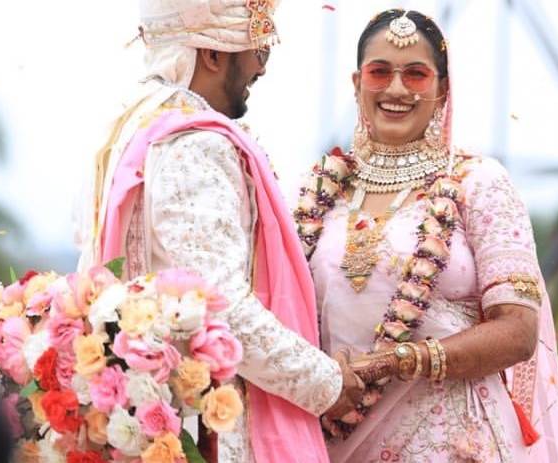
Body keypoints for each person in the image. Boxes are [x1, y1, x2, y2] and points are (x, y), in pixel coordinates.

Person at [73, 1, 363, 462]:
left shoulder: (130, 130)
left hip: (144, 417)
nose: (261, 68)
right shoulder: (194, 143)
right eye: (258, 51)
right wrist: (325, 382)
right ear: (212, 55)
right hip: (203, 425)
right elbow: (222, 306)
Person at [294, 9, 558, 462]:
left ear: (443, 87)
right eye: (380, 72)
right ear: (356, 82)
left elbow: (519, 331)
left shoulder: (479, 183)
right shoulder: (319, 195)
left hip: (457, 441)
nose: (397, 89)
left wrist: (399, 361)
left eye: (417, 75)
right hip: (340, 438)